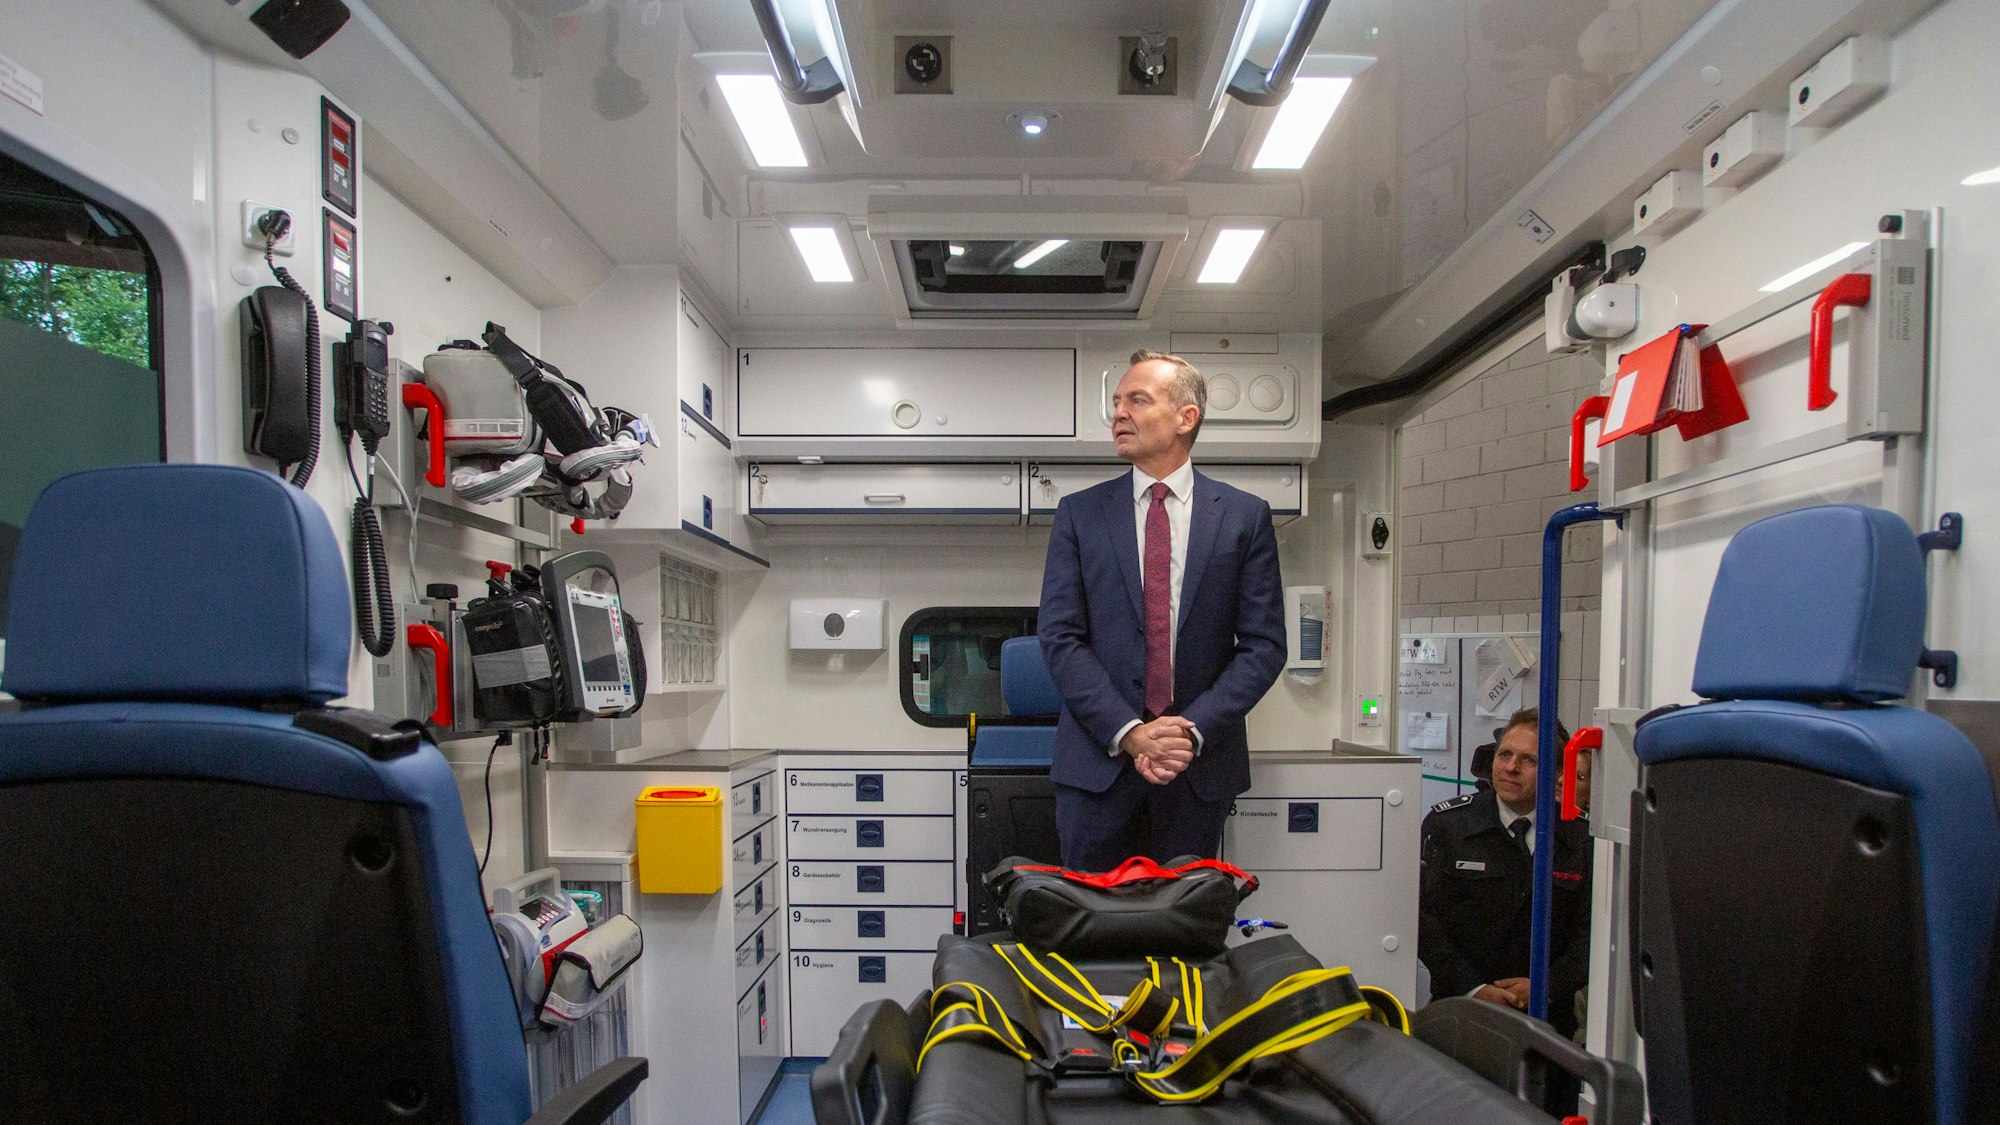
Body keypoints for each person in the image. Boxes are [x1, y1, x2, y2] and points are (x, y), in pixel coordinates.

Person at [1036, 349, 1285, 872]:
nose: (1118, 414)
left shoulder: (1243, 517)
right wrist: (1130, 732)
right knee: (1089, 931)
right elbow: (1060, 638)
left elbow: (1263, 647)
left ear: (1185, 417)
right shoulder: (1080, 515)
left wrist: (1187, 732)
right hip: (1097, 766)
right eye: (1116, 402)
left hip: (1195, 766)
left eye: (1137, 400)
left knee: (1183, 934)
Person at [1418, 706, 1593, 1036]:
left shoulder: (1580, 837)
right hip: (1461, 1011)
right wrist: (1473, 988)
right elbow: (1423, 921)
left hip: (1548, 1021)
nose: (1511, 767)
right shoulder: (1449, 826)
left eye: (1528, 760)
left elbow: (1593, 936)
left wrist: (1546, 985)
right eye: (1505, 755)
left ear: (1556, 772)